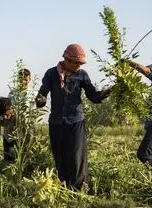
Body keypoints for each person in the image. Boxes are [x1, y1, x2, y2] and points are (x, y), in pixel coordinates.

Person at [35, 43, 111, 190]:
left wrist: (109, 91)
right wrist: (40, 100)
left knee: (76, 157)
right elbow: (42, 94)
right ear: (66, 59)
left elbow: (93, 96)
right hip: (56, 123)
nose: (78, 66)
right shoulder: (51, 74)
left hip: (76, 121)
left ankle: (79, 190)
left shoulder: (82, 75)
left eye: (80, 63)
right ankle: (64, 188)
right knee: (60, 157)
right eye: (76, 63)